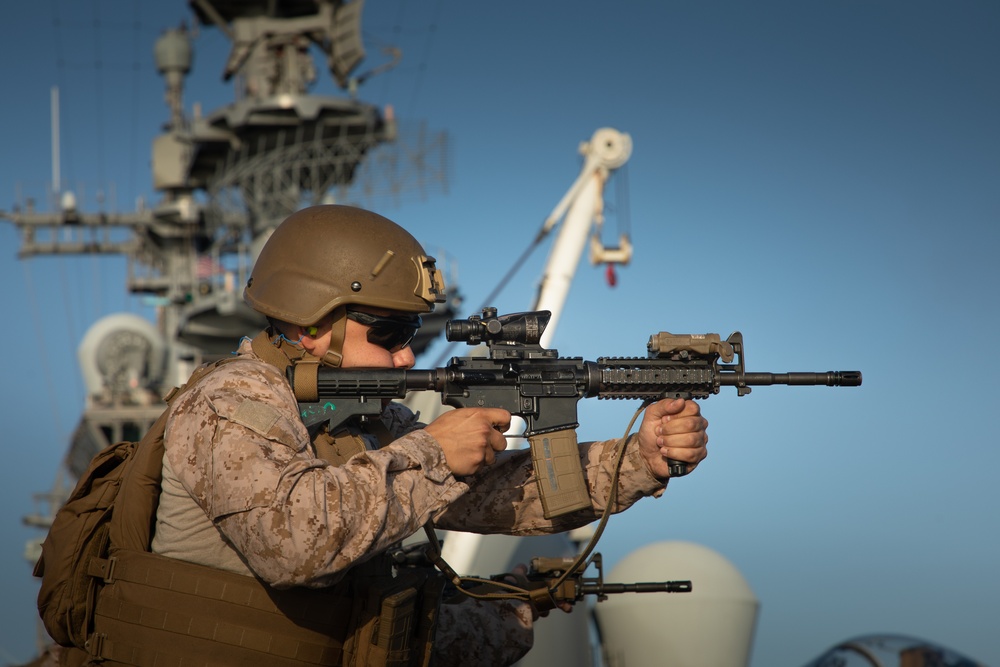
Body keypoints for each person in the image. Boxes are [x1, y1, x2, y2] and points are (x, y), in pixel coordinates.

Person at [87, 204, 709, 666]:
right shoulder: (230, 401)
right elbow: (294, 543)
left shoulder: (369, 423)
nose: (409, 357)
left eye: (412, 335)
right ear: (314, 325)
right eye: (388, 334)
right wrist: (436, 450)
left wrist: (640, 458)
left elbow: (494, 491)